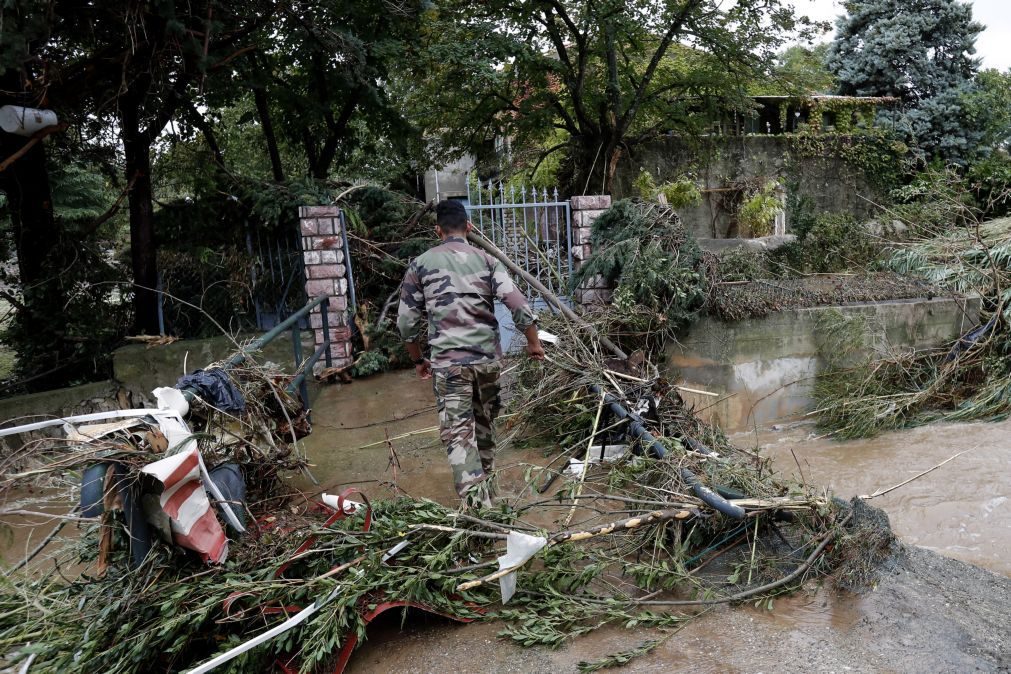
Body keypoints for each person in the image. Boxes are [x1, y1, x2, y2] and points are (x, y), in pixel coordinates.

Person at [397, 199, 544, 505]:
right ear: (469, 227)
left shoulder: (421, 264)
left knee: (459, 436)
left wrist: (417, 359)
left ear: (438, 231)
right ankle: (488, 494)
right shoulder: (488, 261)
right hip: (487, 363)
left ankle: (482, 515)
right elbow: (518, 305)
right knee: (484, 425)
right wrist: (533, 343)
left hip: (449, 367)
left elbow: (406, 323)